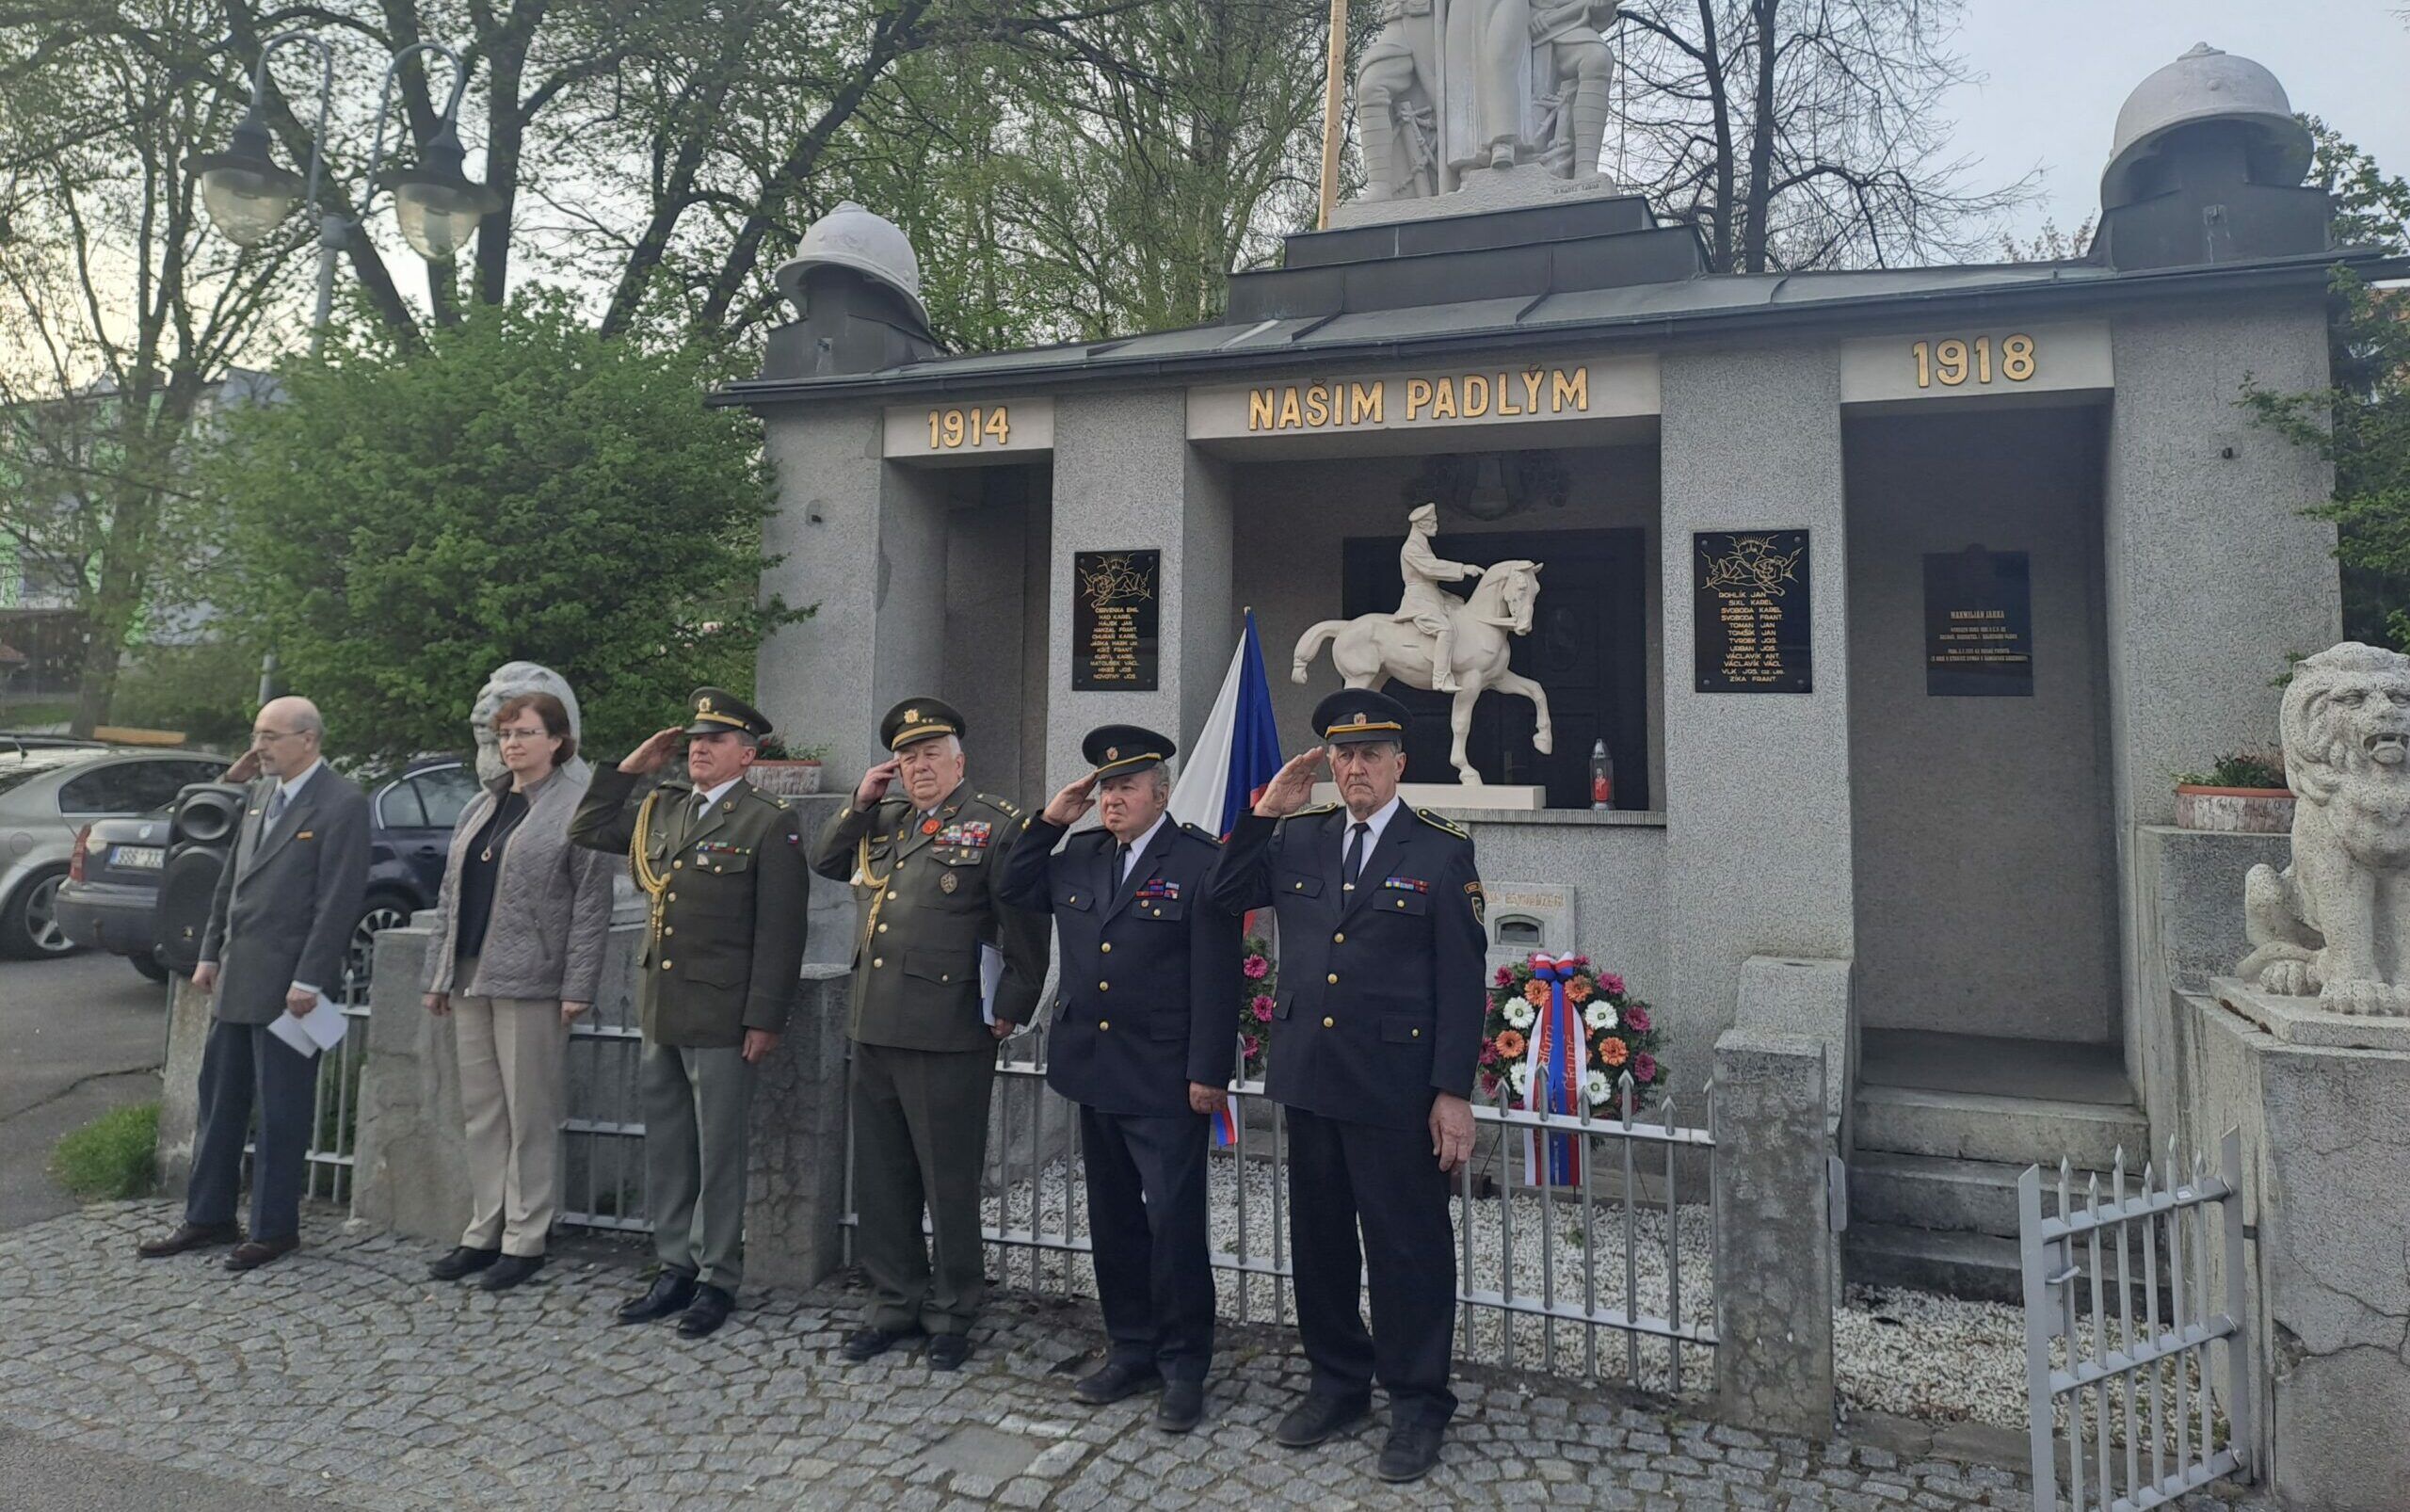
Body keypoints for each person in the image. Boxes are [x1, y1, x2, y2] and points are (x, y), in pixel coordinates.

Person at [1211, 688, 1486, 1484]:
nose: (1354, 767)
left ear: (1400, 764)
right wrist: (1265, 812)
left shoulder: (1439, 850)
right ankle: (1337, 1384)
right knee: (1320, 1246)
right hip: (1312, 1076)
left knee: (1407, 1251)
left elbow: (1462, 982)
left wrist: (1452, 1092)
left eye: (1369, 754)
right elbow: (1223, 896)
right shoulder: (1299, 837)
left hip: (1396, 1087)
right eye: (1342, 754)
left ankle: (1418, 1404)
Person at [997, 724, 1241, 1432]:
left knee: (1172, 1224)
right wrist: (1050, 821)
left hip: (1164, 1077)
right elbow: (1013, 887)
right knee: (1113, 1222)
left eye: (1126, 786)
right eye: (1105, 788)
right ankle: (1131, 1348)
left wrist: (1208, 1071)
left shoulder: (1197, 860)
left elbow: (1217, 976)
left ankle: (1184, 1364)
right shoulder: (1079, 854)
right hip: (1094, 1069)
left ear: (1160, 794)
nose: (1111, 799)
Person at [811, 698, 1048, 1370]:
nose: (918, 767)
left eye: (930, 754)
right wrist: (860, 803)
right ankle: (893, 1302)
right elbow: (826, 862)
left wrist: (1013, 1002)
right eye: (907, 757)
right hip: (875, 1023)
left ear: (958, 762)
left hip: (948, 1028)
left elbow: (1026, 921)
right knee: (882, 1179)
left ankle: (952, 1309)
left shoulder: (996, 825)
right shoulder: (884, 820)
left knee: (948, 1181)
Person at [569, 687, 808, 1340]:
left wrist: (765, 1017)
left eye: (715, 740)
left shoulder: (767, 820)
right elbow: (586, 828)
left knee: (719, 1151)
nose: (699, 749)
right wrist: (629, 771)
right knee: (671, 1148)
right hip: (663, 1005)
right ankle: (674, 1265)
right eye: (696, 740)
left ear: (747, 755)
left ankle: (716, 1277)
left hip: (724, 1013)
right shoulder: (665, 808)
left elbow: (781, 930)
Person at [137, 697, 371, 1271]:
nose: (258, 747)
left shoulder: (341, 803)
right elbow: (230, 884)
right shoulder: (261, 794)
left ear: (308, 740)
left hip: (293, 987)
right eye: (256, 734)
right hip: (238, 976)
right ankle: (209, 1215)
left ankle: (274, 1228)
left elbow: (338, 901)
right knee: (219, 1103)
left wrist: (310, 977)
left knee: (281, 1110)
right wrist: (208, 952)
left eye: (270, 736)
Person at [419, 690, 618, 1292]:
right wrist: (438, 975)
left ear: (557, 741)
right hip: (471, 972)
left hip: (534, 977)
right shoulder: (482, 805)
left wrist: (578, 984)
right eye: (505, 734)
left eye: (525, 733)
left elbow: (591, 905)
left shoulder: (577, 808)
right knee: (482, 1111)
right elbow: (449, 896)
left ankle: (526, 1236)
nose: (511, 744)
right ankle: (484, 1229)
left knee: (530, 1112)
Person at [1390, 503, 1479, 692]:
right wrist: (1463, 569)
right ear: (1421, 525)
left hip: (1432, 594)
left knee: (1461, 608)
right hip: (1419, 598)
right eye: (1432, 523)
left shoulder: (1422, 544)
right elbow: (1430, 567)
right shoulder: (1411, 547)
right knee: (1445, 629)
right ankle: (1440, 678)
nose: (1436, 527)